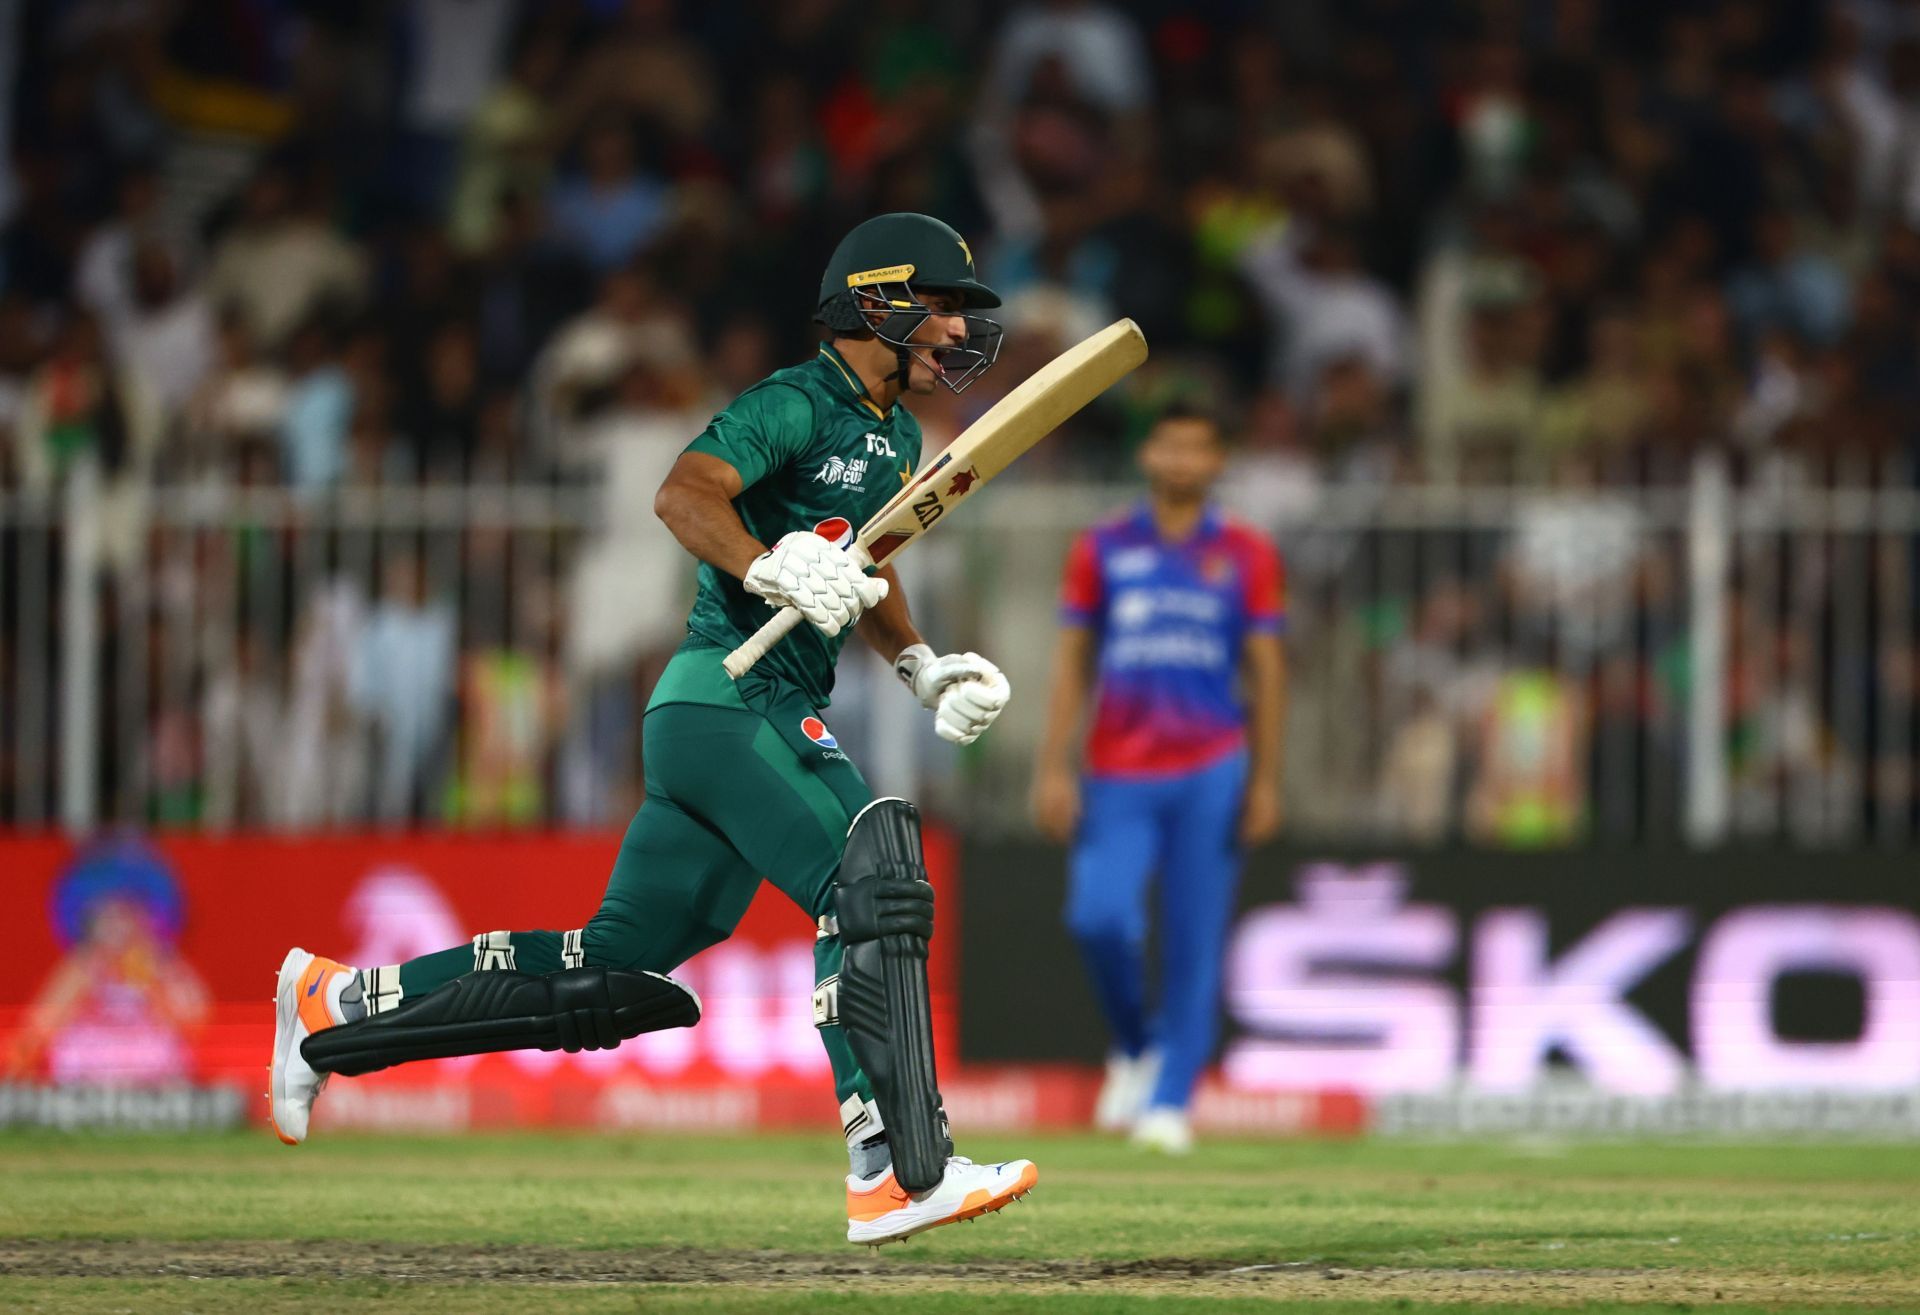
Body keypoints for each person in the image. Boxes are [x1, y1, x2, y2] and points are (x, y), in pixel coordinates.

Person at [268, 213, 1036, 1245]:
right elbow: (683, 494)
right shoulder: (792, 400)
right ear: (876, 303)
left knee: (608, 970)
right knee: (872, 874)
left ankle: (337, 1004)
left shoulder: (895, 434)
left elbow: (871, 560)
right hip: (731, 699)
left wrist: (918, 665)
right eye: (940, 305)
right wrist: (763, 565)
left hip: (713, 717)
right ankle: (896, 1167)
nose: (955, 329)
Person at [1031, 407, 1288, 1153]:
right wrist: (1053, 766)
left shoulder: (1245, 551)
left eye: (1197, 445)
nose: (1181, 457)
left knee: (1194, 940)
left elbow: (1267, 672)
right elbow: (1072, 660)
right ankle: (1136, 1044)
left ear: (1217, 461)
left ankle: (1171, 1098)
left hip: (1212, 764)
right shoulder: (1104, 545)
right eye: (1169, 442)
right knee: (1098, 917)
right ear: (1148, 451)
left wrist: (1267, 780)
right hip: (1117, 768)